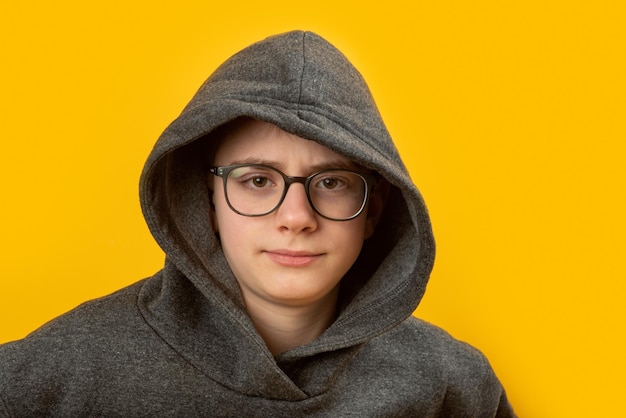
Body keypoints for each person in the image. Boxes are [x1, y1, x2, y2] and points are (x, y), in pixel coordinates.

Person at [0, 30, 515, 417]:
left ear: (374, 211)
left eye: (332, 183)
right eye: (257, 181)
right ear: (208, 203)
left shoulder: (452, 383)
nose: (296, 218)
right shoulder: (69, 369)